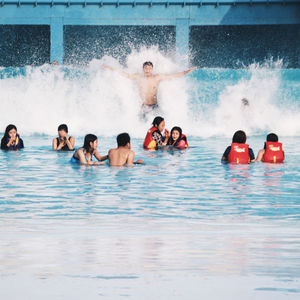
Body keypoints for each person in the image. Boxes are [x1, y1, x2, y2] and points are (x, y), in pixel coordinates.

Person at [103, 61, 197, 112]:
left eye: (149, 68)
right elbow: (126, 75)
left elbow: (172, 76)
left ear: (152, 69)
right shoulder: (138, 77)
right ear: (143, 69)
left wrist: (186, 72)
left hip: (154, 106)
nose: (147, 70)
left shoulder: (157, 77)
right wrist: (111, 68)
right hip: (143, 107)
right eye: (145, 68)